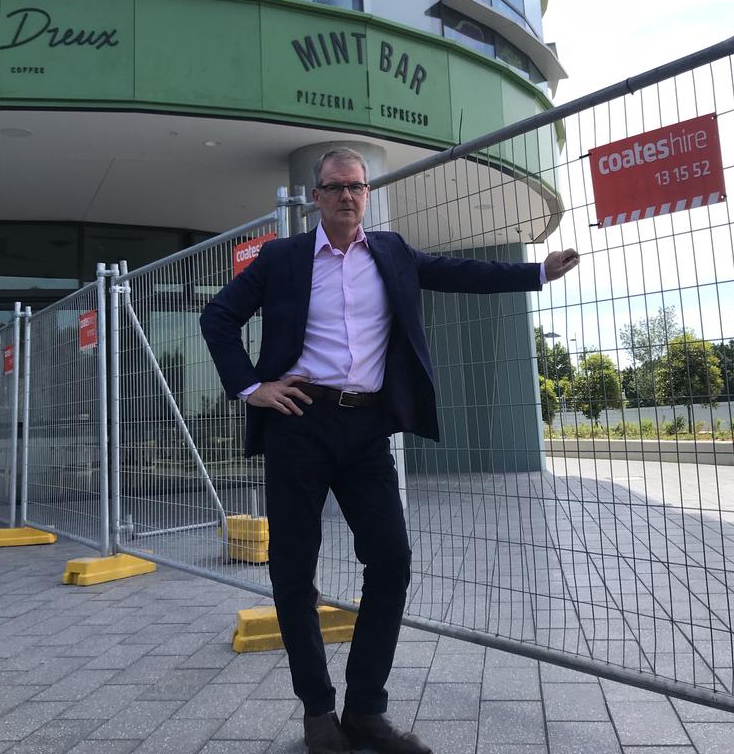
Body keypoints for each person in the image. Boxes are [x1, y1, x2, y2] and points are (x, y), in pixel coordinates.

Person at [200, 147, 580, 754]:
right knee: (294, 571)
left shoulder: (393, 253)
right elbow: (218, 317)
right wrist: (252, 387)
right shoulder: (283, 258)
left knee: (392, 561)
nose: (347, 196)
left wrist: (536, 272)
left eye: (357, 187)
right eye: (335, 187)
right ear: (317, 197)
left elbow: (461, 272)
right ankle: (318, 716)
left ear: (366, 195)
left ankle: (366, 711)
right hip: (298, 424)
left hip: (366, 429)